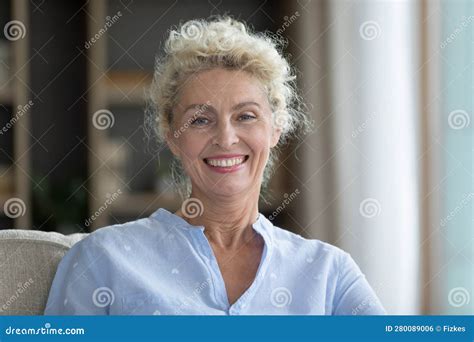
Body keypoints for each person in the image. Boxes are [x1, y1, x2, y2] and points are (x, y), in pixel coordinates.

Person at [44, 16, 385, 315]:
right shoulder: (102, 260)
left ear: (276, 128)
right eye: (200, 120)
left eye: (246, 116)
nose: (226, 138)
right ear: (171, 135)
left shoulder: (329, 273)